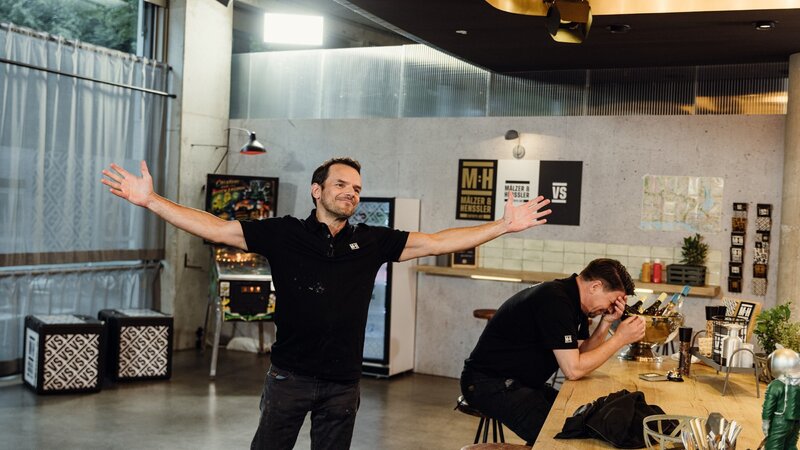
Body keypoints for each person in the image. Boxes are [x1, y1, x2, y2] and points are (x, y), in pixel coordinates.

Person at [100, 157, 552, 450]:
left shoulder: (372, 241)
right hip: (289, 378)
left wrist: (501, 226)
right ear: (317, 190)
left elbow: (436, 241)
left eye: (356, 187)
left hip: (343, 384)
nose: (350, 192)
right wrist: (151, 200)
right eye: (341, 184)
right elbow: (216, 228)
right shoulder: (284, 233)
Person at [459, 258, 647, 445]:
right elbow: (573, 370)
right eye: (612, 301)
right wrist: (619, 339)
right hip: (488, 384)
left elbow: (581, 355)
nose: (610, 308)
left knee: (580, 422)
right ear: (595, 286)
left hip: (522, 383)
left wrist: (606, 322)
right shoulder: (555, 299)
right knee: (564, 439)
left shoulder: (576, 302)